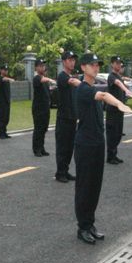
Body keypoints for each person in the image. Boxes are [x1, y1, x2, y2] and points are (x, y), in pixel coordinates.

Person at [74, 53, 132, 245]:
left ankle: (90, 224)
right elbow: (105, 95)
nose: (96, 67)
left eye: (97, 65)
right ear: (83, 67)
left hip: (98, 143)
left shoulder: (92, 87)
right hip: (85, 145)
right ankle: (82, 227)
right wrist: (120, 103)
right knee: (85, 186)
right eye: (91, 65)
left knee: (95, 187)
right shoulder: (83, 89)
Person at [55, 50, 81, 182]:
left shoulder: (72, 76)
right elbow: (72, 82)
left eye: (73, 60)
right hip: (63, 118)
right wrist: (84, 85)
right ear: (64, 61)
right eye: (70, 60)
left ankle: (65, 171)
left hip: (72, 117)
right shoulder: (62, 76)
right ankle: (60, 173)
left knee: (70, 146)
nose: (72, 62)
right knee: (63, 147)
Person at [106, 56, 132, 164]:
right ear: (112, 64)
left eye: (120, 63)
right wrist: (126, 90)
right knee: (112, 134)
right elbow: (118, 83)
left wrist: (129, 83)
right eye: (117, 63)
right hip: (113, 109)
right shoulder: (111, 76)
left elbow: (122, 81)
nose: (119, 65)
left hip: (119, 110)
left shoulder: (118, 76)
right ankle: (110, 156)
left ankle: (114, 154)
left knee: (118, 133)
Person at [32, 58, 55, 157]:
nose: (43, 67)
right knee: (38, 128)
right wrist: (50, 80)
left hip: (46, 108)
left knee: (44, 128)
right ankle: (36, 149)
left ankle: (42, 148)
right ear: (36, 67)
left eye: (43, 65)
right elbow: (42, 80)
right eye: (40, 65)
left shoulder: (44, 79)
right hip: (38, 109)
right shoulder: (37, 78)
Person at [0, 65, 14, 139]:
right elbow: (3, 79)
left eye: (7, 70)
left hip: (7, 101)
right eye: (4, 70)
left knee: (6, 117)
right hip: (2, 101)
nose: (6, 71)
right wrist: (10, 79)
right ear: (1, 70)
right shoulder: (0, 78)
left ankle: (5, 132)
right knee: (2, 117)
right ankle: (1, 134)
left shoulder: (6, 79)